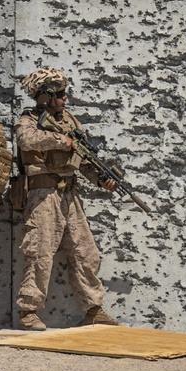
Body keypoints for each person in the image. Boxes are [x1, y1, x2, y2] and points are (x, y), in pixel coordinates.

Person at [14, 67, 119, 331]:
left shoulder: (69, 121)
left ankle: (93, 309)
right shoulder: (28, 120)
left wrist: (99, 179)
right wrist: (62, 142)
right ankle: (28, 312)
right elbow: (27, 141)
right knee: (39, 252)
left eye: (64, 93)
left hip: (69, 194)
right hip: (43, 195)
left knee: (85, 252)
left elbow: (81, 161)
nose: (65, 98)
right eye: (60, 94)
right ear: (44, 97)